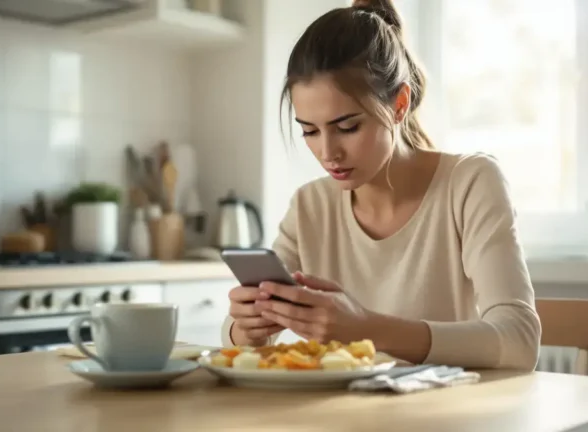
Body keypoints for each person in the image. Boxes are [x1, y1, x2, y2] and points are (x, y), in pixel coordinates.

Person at [220, 0, 541, 370]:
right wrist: (249, 326)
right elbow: (232, 336)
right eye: (309, 130)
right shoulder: (309, 206)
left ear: (399, 105)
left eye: (347, 127)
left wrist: (365, 328)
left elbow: (519, 343)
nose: (328, 153)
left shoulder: (470, 184)